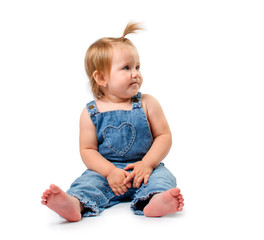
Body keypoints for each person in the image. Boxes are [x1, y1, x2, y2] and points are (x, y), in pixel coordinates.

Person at [41, 22, 184, 222]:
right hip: (106, 170)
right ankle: (74, 204)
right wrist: (109, 172)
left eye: (137, 66)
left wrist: (147, 164)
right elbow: (87, 150)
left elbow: (164, 136)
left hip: (145, 168)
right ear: (101, 78)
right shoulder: (90, 112)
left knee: (163, 178)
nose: (136, 73)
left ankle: (156, 200)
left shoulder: (147, 103)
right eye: (126, 68)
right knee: (88, 182)